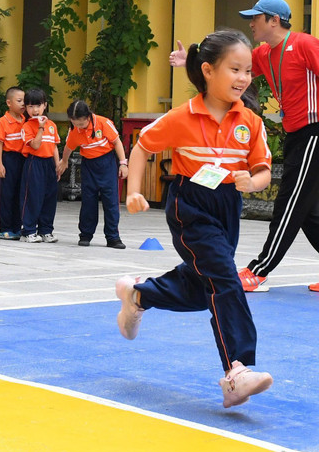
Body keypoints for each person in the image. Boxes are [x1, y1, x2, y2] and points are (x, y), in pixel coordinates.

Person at [114, 29, 276, 408]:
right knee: (225, 279)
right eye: (234, 69)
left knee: (206, 287)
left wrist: (252, 182)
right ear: (207, 70)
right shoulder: (181, 117)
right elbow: (142, 147)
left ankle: (139, 294)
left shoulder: (250, 122)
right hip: (190, 206)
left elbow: (264, 170)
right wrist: (134, 191)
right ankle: (237, 370)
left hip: (227, 206)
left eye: (248, 71)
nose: (243, 78)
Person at [168, 0, 319, 293]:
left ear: (274, 20)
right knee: (307, 208)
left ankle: (259, 270)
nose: (251, 24)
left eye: (255, 18)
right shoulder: (265, 53)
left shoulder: (306, 44)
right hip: (295, 134)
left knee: (288, 202)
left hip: (316, 131)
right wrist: (191, 61)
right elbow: (229, 66)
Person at [64, 100, 128, 249]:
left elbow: (117, 142)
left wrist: (123, 163)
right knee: (88, 201)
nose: (79, 127)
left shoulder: (103, 123)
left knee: (111, 201)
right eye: (75, 123)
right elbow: (68, 147)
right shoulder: (74, 130)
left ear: (88, 117)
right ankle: (85, 235)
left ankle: (113, 237)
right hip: (88, 165)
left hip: (107, 163)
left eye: (81, 124)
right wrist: (64, 161)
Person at [18, 88, 62, 242]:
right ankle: (28, 231)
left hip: (49, 163)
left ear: (45, 105)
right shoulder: (27, 126)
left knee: (49, 197)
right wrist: (41, 128)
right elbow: (35, 145)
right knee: (33, 197)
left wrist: (58, 166)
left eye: (38, 105)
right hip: (34, 163)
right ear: (26, 108)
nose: (35, 110)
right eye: (30, 106)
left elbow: (54, 146)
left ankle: (46, 230)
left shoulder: (52, 125)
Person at [0, 86, 28, 240]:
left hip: (22, 160)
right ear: (9, 103)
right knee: (6, 194)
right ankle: (5, 228)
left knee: (20, 193)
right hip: (9, 159)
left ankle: (17, 226)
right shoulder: (3, 121)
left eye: (24, 101)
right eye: (19, 101)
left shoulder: (25, 120)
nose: (23, 104)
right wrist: (0, 164)